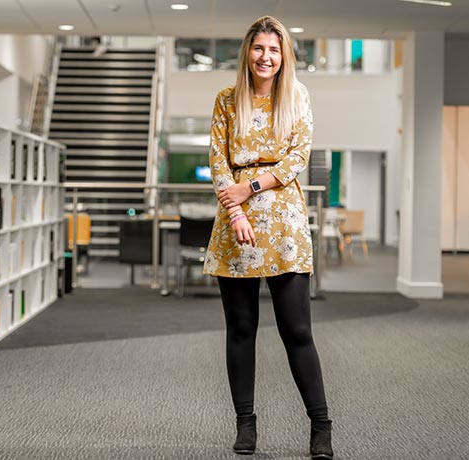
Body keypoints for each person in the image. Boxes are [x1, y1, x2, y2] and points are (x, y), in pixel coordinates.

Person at [202, 16, 334, 459]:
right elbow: (219, 163)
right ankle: (246, 425)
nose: (266, 57)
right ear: (247, 52)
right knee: (241, 329)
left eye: (274, 50)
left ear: (284, 56)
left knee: (297, 329)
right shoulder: (226, 100)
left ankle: (321, 426)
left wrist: (251, 188)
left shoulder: (296, 97)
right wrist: (236, 208)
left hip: (284, 226)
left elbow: (298, 157)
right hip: (234, 226)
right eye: (259, 48)